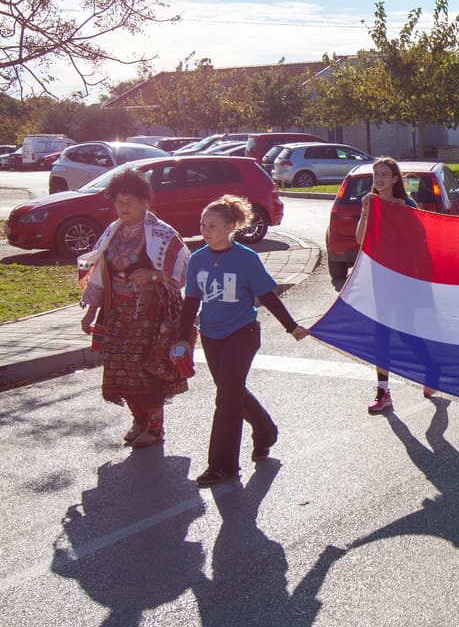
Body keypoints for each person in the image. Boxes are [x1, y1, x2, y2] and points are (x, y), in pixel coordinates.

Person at [175, 195, 311, 488]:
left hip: (242, 333)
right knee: (231, 391)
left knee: (226, 397)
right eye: (203, 224)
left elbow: (268, 296)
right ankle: (265, 432)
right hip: (211, 335)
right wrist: (182, 338)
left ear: (231, 227)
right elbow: (190, 302)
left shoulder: (246, 259)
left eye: (212, 225)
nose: (205, 230)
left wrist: (292, 327)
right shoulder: (197, 260)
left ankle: (222, 466)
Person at [79, 169, 191, 449]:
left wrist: (153, 275)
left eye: (129, 201)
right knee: (120, 370)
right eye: (118, 202)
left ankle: (155, 426)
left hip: (151, 316)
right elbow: (100, 273)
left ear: (145, 203)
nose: (123, 207)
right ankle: (139, 420)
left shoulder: (163, 235)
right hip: (118, 314)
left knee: (148, 370)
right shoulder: (112, 233)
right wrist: (91, 311)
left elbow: (182, 272)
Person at [359, 158, 428, 413]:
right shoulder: (371, 203)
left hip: (403, 280)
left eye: (384, 174)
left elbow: (419, 241)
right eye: (376, 174)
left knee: (406, 334)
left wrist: (403, 214)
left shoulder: (407, 205)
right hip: (379, 279)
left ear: (395, 179)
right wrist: (366, 212)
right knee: (381, 336)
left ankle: (431, 369)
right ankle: (383, 391)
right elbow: (360, 239)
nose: (379, 178)